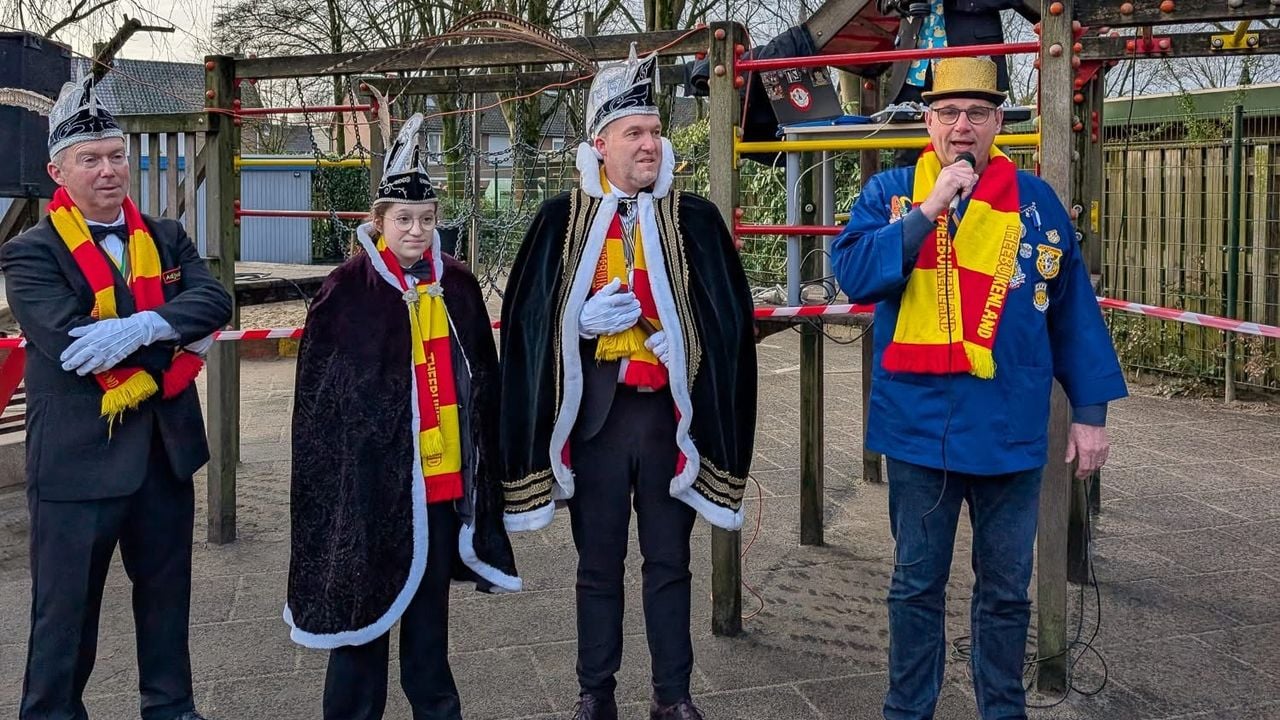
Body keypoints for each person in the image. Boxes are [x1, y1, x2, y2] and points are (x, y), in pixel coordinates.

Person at [830, 57, 1127, 720]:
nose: (962, 126)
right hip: (918, 428)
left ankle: (1002, 709)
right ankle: (908, 710)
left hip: (1010, 430)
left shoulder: (1037, 202)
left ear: (998, 122)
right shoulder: (892, 195)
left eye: (978, 113)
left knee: (1006, 592)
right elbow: (852, 272)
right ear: (927, 122)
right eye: (947, 113)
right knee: (914, 588)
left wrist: (1090, 413)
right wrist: (927, 213)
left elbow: (1072, 309)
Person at [499, 45, 757, 720]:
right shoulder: (559, 222)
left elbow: (732, 322)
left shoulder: (695, 218)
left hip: (669, 424)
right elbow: (526, 323)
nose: (649, 143)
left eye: (654, 130)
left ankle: (673, 697)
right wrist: (574, 326)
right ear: (600, 143)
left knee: (671, 565)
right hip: (598, 423)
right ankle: (596, 692)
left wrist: (691, 341)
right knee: (597, 567)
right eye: (633, 133)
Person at [1, 75, 232, 720]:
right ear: (59, 170)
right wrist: (178, 329)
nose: (109, 171)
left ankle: (172, 709)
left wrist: (144, 325)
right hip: (78, 465)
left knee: (167, 605)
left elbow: (215, 300)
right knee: (63, 618)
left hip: (164, 456)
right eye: (90, 159)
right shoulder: (30, 253)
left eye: (117, 156)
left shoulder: (165, 235)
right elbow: (65, 340)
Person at [285, 113, 520, 720]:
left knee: (429, 627)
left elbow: (483, 389)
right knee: (361, 627)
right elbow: (319, 411)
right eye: (403, 219)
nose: (416, 231)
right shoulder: (345, 292)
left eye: (427, 219)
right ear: (378, 220)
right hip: (369, 491)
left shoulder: (461, 288)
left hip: (441, 489)